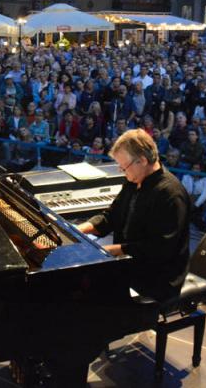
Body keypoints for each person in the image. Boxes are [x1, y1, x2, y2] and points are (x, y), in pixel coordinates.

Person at [76, 129, 191, 302]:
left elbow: (159, 249)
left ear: (142, 160)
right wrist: (79, 230)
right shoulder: (134, 181)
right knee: (79, 278)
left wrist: (109, 251)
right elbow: (111, 216)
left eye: (124, 167)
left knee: (90, 286)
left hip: (158, 277)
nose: (122, 172)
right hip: (130, 261)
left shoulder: (171, 194)